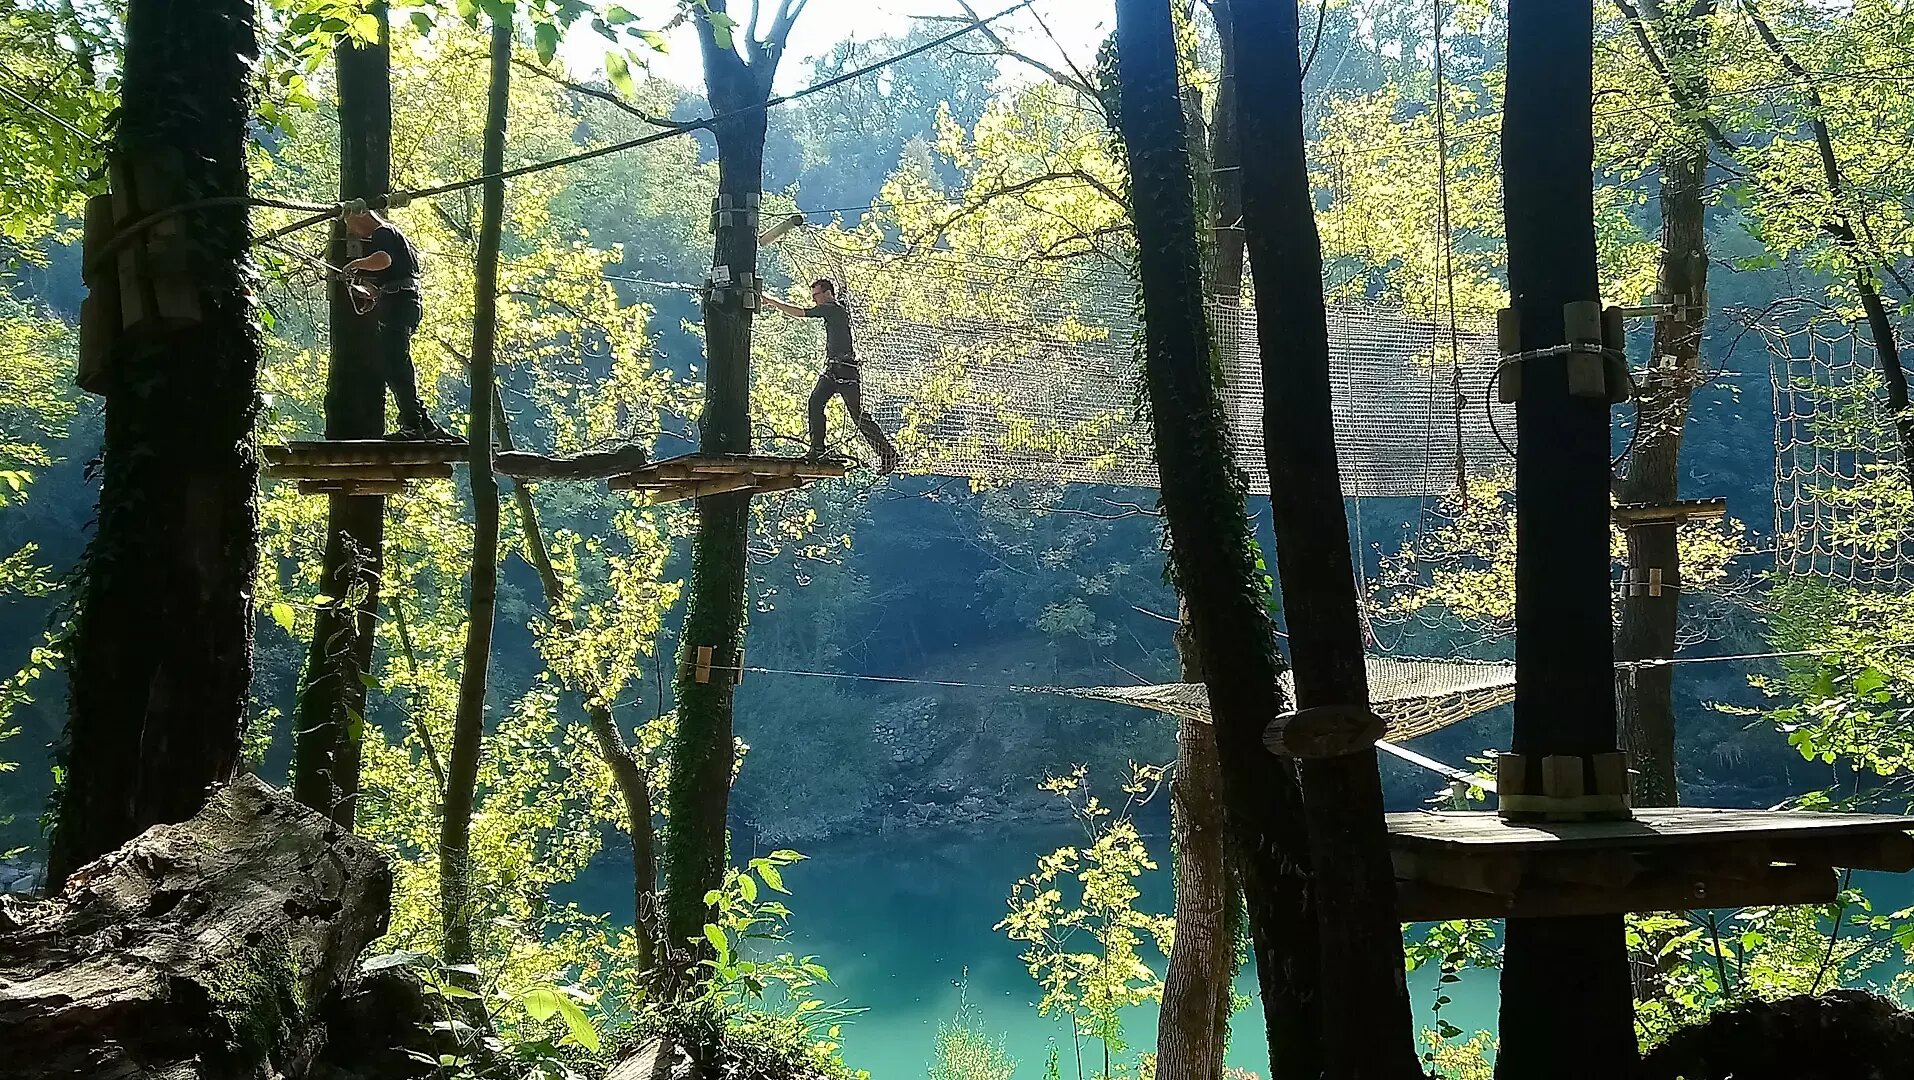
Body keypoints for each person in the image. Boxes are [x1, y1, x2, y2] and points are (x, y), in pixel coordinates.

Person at [761, 278, 898, 473]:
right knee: (815, 402)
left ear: (827, 293)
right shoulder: (837, 308)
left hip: (846, 371)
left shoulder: (832, 309)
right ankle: (817, 448)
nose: (815, 300)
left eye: (816, 295)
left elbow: (801, 313)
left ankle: (887, 453)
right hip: (833, 370)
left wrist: (772, 301)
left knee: (857, 415)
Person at [341, 209, 455, 441]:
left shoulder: (382, 232)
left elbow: (384, 260)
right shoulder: (398, 239)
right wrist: (365, 290)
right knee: (397, 364)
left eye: (351, 224)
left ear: (361, 215)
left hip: (399, 306)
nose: (353, 231)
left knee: (394, 366)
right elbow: (389, 278)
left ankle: (412, 425)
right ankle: (423, 423)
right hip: (403, 304)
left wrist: (356, 264)